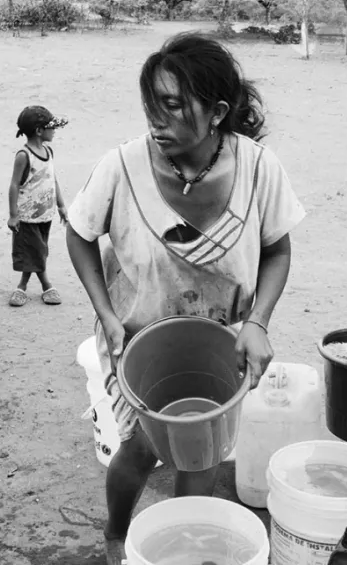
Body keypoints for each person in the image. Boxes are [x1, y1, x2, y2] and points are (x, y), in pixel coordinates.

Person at [66, 32, 305, 565]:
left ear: (218, 111)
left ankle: (180, 544)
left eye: (172, 106)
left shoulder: (259, 168)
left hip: (221, 339)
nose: (156, 121)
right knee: (143, 447)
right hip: (136, 339)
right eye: (151, 106)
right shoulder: (122, 167)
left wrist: (259, 322)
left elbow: (278, 251)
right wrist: (105, 315)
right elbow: (80, 233)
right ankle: (116, 532)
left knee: (200, 454)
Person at [7, 105, 69, 307]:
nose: (55, 131)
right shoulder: (24, 156)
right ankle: (46, 285)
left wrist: (61, 205)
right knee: (37, 251)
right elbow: (14, 185)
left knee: (35, 251)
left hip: (45, 214)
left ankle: (22, 286)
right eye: (51, 127)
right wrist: (13, 214)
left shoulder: (48, 151)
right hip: (27, 216)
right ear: (39, 131)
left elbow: (53, 179)